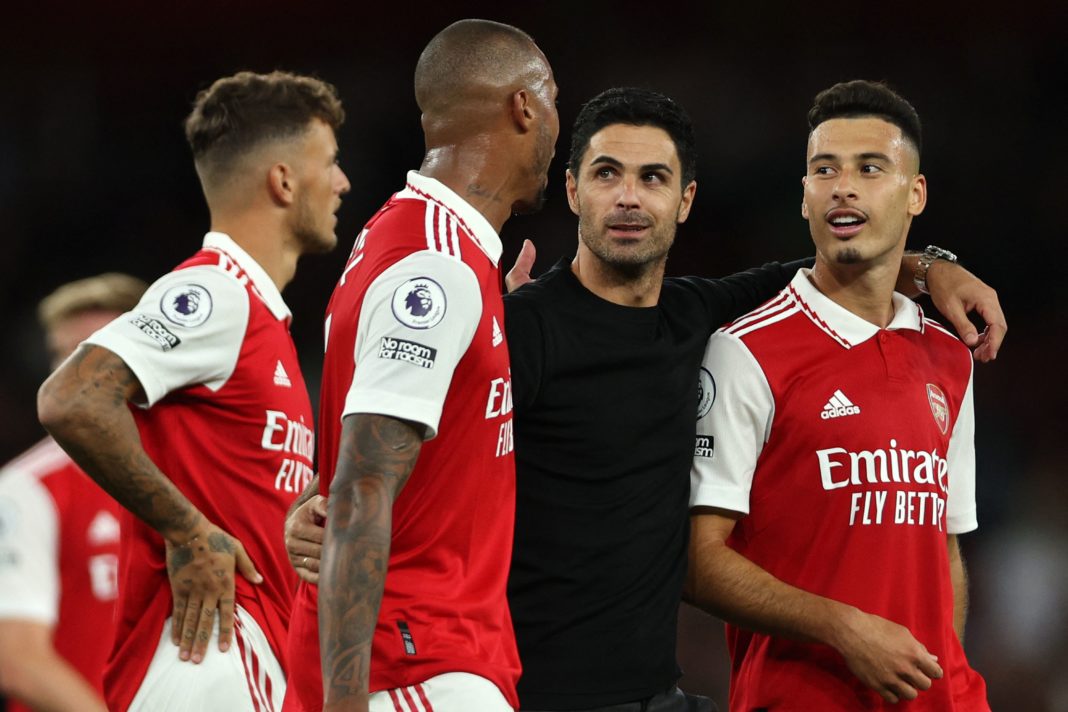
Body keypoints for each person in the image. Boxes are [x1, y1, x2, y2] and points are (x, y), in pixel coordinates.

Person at [285, 87, 1005, 711]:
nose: (629, 197)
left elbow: (836, 266)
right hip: (535, 692)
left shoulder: (701, 318)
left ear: (684, 199)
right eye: (607, 174)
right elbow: (401, 440)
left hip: (656, 692)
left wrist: (929, 266)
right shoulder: (520, 331)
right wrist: (314, 511)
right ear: (572, 191)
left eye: (653, 177)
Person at [37, 70, 350, 711]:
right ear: (284, 180)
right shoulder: (216, 293)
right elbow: (71, 397)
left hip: (241, 660)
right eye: (331, 162)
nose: (343, 182)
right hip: (210, 659)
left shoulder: (261, 320)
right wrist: (187, 530)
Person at [685, 80, 990, 710]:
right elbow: (695, 561)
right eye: (824, 170)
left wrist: (947, 684)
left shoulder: (950, 358)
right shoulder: (745, 353)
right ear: (804, 197)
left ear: (916, 194)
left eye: (870, 168)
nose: (842, 186)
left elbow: (946, 547)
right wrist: (843, 628)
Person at [281, 19, 558, 712]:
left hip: (426, 660)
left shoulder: (419, 243)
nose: (559, 127)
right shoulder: (435, 268)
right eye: (554, 101)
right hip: (414, 668)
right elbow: (361, 493)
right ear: (523, 107)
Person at [0, 273, 146, 712]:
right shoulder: (27, 489)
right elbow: (18, 659)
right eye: (63, 355)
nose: (73, 375)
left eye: (97, 354)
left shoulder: (197, 476)